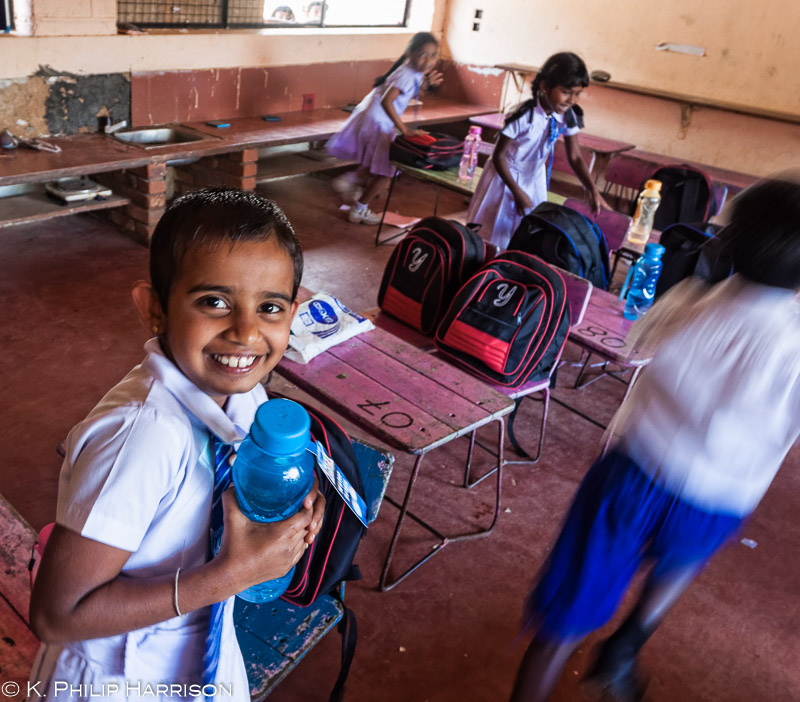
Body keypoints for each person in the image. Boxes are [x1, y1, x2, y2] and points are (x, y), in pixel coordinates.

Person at [509, 174, 800, 702]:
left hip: (632, 473)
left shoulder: (697, 299)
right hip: (717, 497)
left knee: (565, 618)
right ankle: (626, 645)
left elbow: (638, 339)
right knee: (681, 560)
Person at [28, 188, 325, 701]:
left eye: (270, 307)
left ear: (294, 312)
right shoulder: (144, 436)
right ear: (155, 309)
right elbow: (58, 615)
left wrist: (283, 496)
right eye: (214, 301)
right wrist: (235, 573)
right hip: (116, 678)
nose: (246, 332)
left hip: (197, 650)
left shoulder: (246, 397)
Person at [467, 52, 610, 251]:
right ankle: (485, 270)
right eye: (566, 92)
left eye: (577, 93)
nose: (572, 100)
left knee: (526, 231)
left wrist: (592, 190)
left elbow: (575, 157)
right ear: (544, 86)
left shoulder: (568, 116)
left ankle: (511, 270)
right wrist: (517, 192)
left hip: (534, 177)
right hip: (505, 178)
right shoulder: (523, 115)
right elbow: (499, 157)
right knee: (492, 231)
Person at [326, 31, 444, 225]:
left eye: (433, 55)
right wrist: (404, 130)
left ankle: (350, 180)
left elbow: (407, 90)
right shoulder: (406, 73)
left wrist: (427, 86)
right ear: (410, 54)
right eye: (423, 54)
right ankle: (359, 209)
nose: (429, 61)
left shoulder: (409, 70)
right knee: (387, 171)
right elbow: (387, 101)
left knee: (379, 162)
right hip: (378, 121)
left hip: (372, 117)